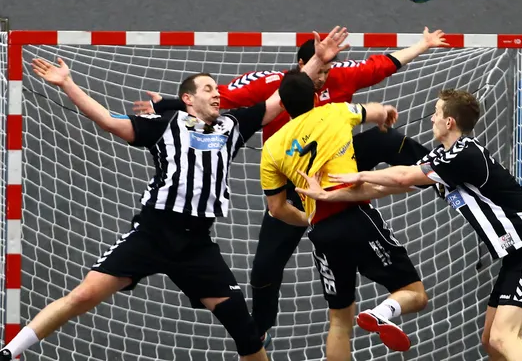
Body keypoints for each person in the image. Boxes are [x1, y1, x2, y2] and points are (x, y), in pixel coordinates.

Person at [0, 27, 349, 361]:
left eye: (217, 89)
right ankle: (9, 351)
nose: (216, 93)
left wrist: (317, 60)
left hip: (196, 246)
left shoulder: (233, 125)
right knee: (82, 296)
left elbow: (284, 95)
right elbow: (108, 120)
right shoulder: (163, 124)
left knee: (246, 331)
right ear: (188, 99)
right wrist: (67, 84)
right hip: (152, 234)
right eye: (208, 88)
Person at [134, 27, 448, 345]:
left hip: (341, 168)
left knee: (386, 139)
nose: (324, 76)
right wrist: (168, 106)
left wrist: (423, 44)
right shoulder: (271, 86)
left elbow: (384, 64)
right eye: (319, 70)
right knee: (264, 269)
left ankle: (440, 172)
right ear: (301, 65)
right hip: (297, 188)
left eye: (328, 69)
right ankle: (261, 328)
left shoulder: (341, 80)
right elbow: (221, 99)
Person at [296, 89, 522, 361]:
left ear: (450, 122)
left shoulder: (465, 154)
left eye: (436, 113)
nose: (430, 119)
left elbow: (400, 177)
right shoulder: (439, 161)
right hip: (514, 257)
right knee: (491, 341)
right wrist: (327, 195)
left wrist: (358, 173)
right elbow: (378, 188)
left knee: (503, 337)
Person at [260, 70, 430, 360]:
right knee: (415, 294)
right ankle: (380, 313)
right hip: (355, 216)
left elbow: (276, 209)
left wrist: (309, 219)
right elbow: (377, 112)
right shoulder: (335, 112)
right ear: (315, 96)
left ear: (284, 107)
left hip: (321, 233)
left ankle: (372, 317)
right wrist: (384, 114)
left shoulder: (272, 149)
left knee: (339, 319)